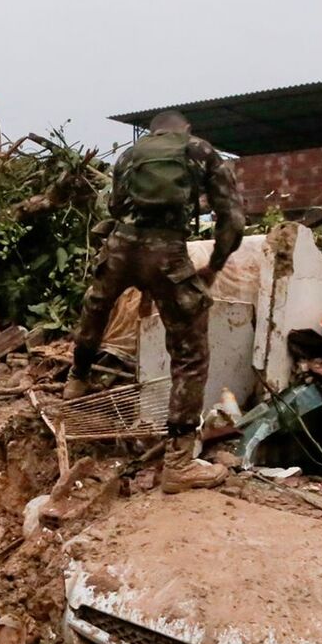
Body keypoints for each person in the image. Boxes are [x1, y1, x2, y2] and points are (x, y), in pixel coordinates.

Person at [65, 110, 246, 493]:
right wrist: (213, 266)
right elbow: (233, 220)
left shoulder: (130, 156)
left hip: (120, 248)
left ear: (153, 131)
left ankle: (77, 378)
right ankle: (179, 464)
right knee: (190, 353)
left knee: (96, 306)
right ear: (186, 128)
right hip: (167, 255)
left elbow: (115, 208)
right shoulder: (202, 151)